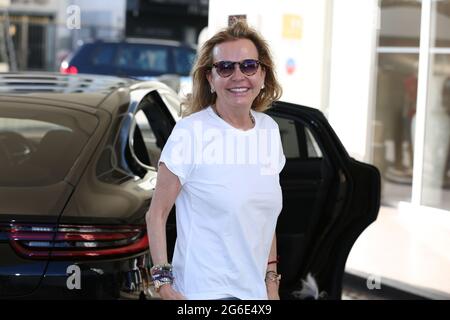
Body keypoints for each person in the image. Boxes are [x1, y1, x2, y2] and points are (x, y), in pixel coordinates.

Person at [145, 20, 285, 300]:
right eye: (225, 67)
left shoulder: (269, 130)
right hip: (202, 291)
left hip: (254, 294)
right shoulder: (190, 133)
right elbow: (156, 214)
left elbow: (264, 219)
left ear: (262, 74)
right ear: (210, 78)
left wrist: (271, 284)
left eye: (248, 65)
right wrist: (164, 285)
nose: (238, 75)